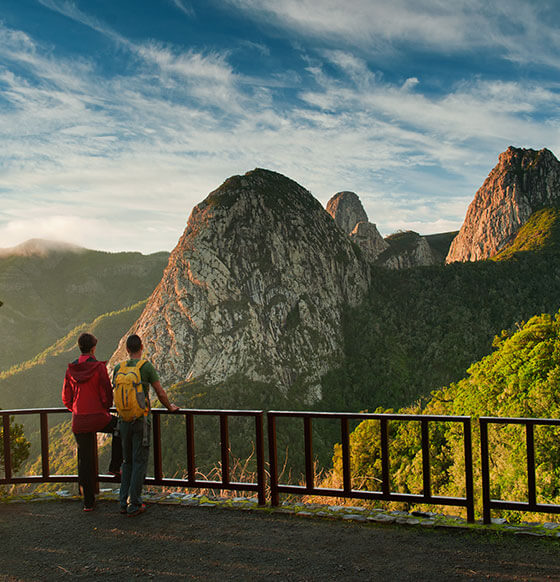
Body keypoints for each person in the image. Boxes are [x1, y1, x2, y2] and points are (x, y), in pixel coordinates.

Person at [114, 334, 179, 516]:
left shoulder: (119, 368)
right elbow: (160, 392)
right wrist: (170, 407)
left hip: (123, 421)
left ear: (126, 350)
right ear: (141, 347)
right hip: (142, 421)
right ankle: (134, 504)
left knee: (127, 462)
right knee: (139, 461)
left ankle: (122, 502)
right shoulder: (146, 367)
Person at [62, 332, 122, 512]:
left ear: (79, 347)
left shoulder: (71, 369)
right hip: (98, 417)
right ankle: (114, 466)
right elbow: (106, 394)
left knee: (84, 459)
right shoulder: (98, 367)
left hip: (79, 420)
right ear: (93, 348)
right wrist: (103, 407)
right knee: (119, 426)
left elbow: (66, 397)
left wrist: (77, 409)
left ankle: (88, 502)